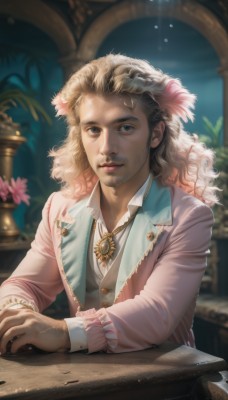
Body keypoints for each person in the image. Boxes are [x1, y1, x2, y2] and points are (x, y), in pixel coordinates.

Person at [0, 54, 218, 355]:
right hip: (81, 380)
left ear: (155, 134)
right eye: (93, 129)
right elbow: (24, 285)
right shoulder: (60, 208)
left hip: (166, 382)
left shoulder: (190, 216)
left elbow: (158, 313)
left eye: (125, 128)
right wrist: (18, 313)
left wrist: (64, 332)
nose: (106, 148)